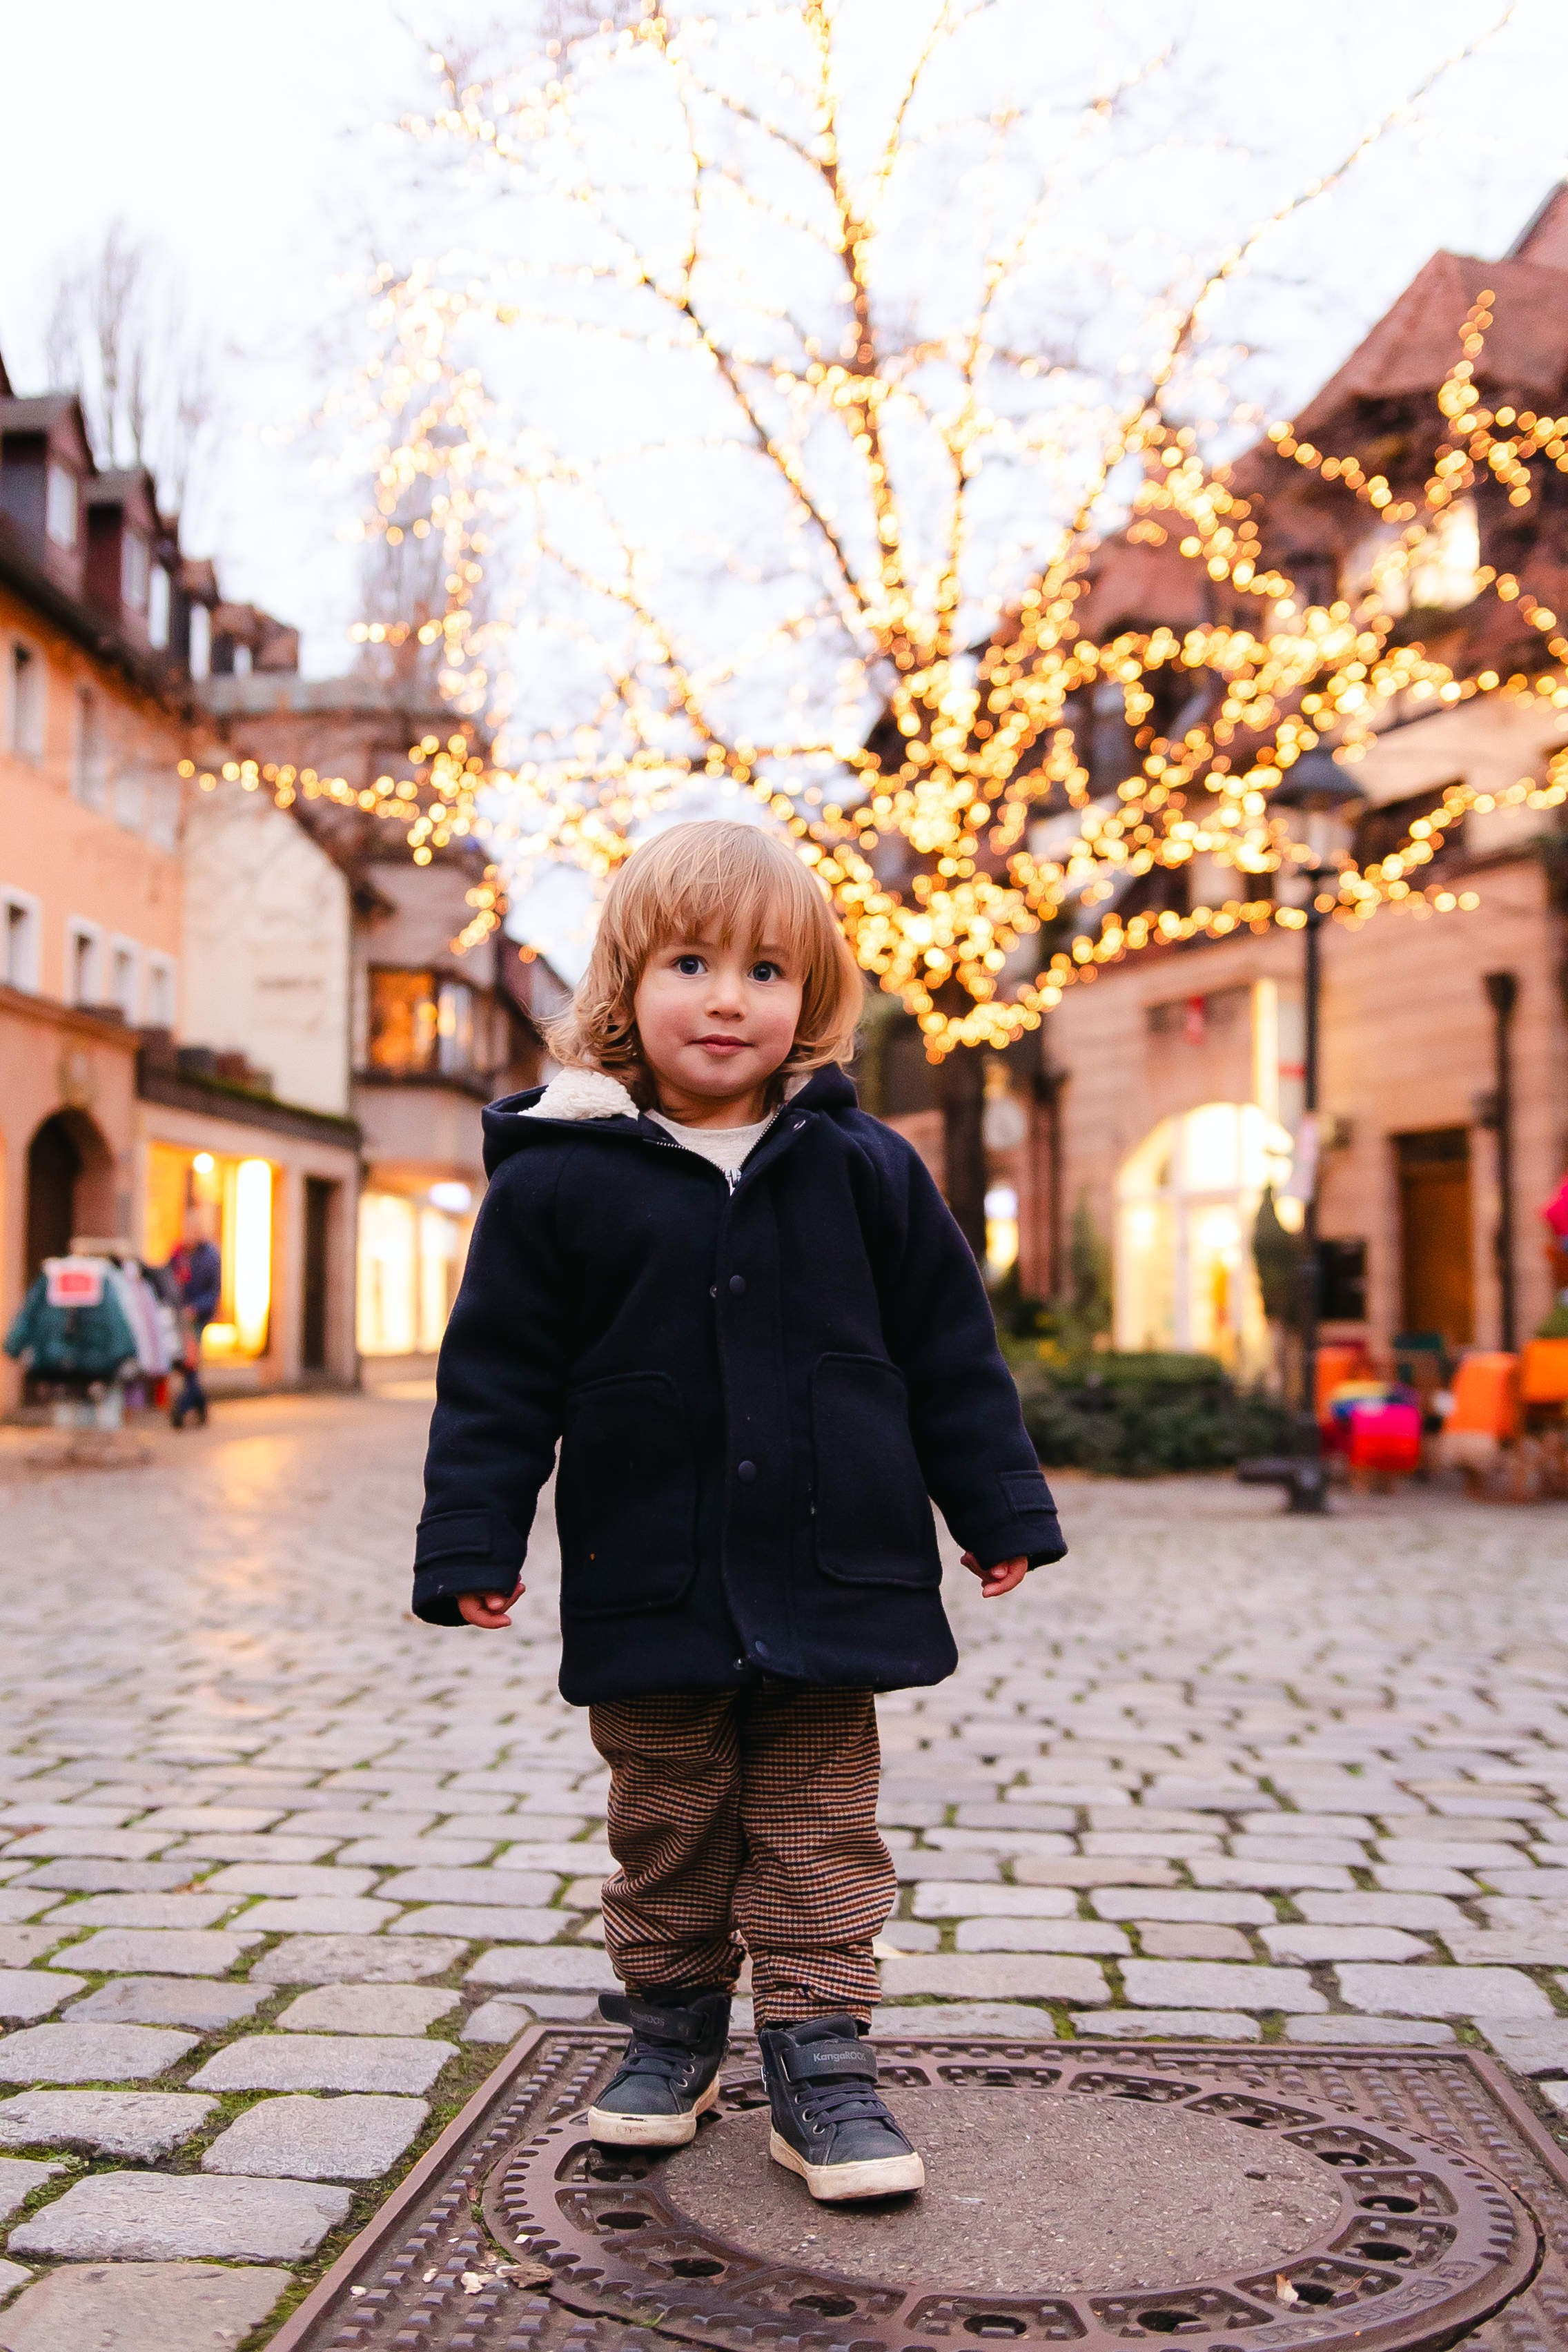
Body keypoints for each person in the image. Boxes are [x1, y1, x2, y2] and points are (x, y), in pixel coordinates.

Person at [412, 820, 1066, 2202]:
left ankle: (821, 2059)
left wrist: (995, 1504)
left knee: (820, 1821)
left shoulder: (867, 1169)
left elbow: (950, 1353)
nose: (726, 998)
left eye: (766, 971)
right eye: (691, 963)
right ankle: (671, 2030)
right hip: (647, 1569)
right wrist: (471, 1537)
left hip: (834, 1573)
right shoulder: (558, 1181)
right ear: (622, 989)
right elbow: (495, 1382)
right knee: (667, 1814)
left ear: (808, 1000)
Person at [167, 1215, 221, 1429]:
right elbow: (167, 1280)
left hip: (198, 1317)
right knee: (185, 1362)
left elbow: (214, 1292)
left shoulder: (210, 1257)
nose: (188, 1236)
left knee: (191, 1361)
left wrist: (196, 1308)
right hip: (177, 1315)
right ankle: (200, 1404)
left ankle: (182, 1408)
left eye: (193, 1231)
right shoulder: (177, 1254)